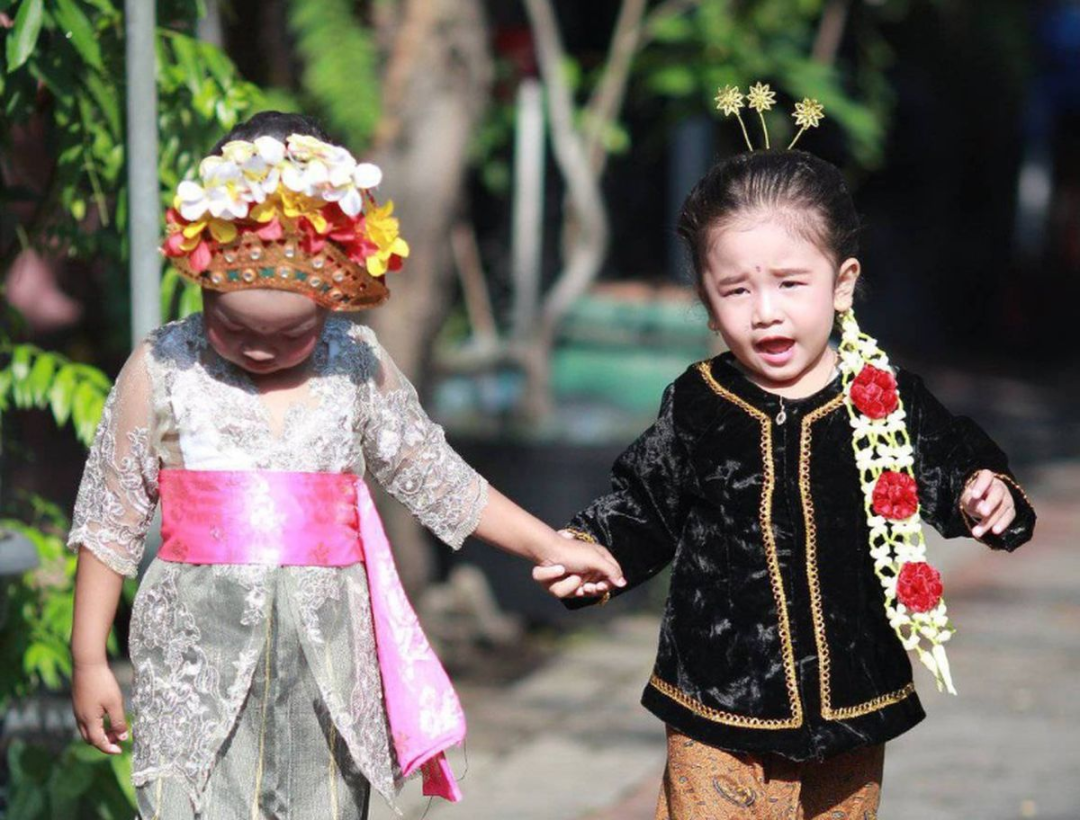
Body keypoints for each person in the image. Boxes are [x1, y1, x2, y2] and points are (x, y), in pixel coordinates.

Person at [67, 111, 624, 820]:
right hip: (192, 670)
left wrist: (549, 544)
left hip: (328, 670)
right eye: (232, 327)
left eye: (293, 333)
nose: (261, 351)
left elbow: (441, 481)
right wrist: (89, 658)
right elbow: (108, 521)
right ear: (200, 276)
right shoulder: (165, 366)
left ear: (333, 297)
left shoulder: (355, 366)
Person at [535, 87, 1037, 819]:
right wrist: (594, 552)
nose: (764, 310)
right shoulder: (701, 401)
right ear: (707, 304)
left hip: (851, 707)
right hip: (716, 707)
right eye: (735, 290)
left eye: (790, 283)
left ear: (842, 284)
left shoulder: (882, 394)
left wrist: (984, 493)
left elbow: (954, 463)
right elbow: (643, 500)